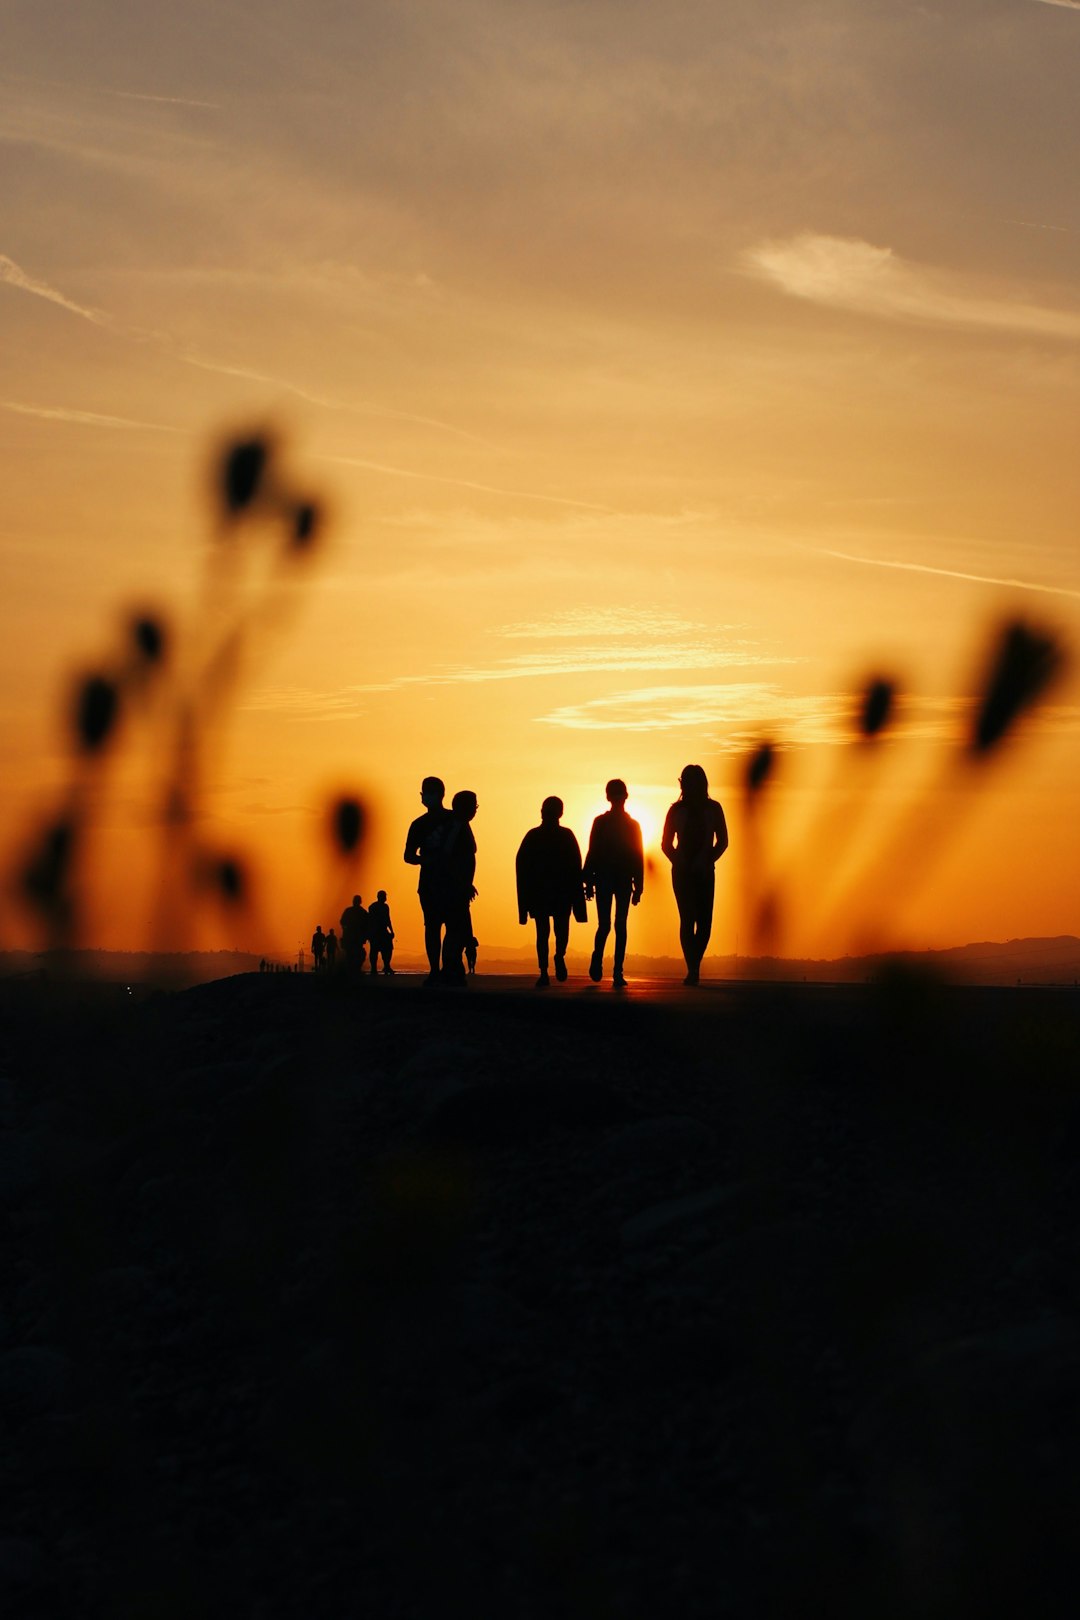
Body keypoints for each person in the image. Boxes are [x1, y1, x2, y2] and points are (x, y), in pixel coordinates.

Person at [661, 763, 729, 986]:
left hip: (705, 871)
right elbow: (665, 843)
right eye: (685, 782)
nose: (688, 786)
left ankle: (694, 964)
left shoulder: (714, 809)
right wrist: (677, 860)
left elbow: (723, 841)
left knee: (705, 922)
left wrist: (708, 859)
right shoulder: (675, 810)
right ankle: (693, 969)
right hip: (681, 873)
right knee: (687, 919)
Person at [516, 796, 586, 987]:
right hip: (560, 892)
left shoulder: (533, 836)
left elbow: (522, 869)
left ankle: (545, 970)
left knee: (543, 933)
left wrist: (524, 902)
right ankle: (556, 959)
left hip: (541, 892)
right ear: (560, 813)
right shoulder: (565, 836)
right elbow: (576, 867)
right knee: (559, 930)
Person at [583, 779, 643, 989]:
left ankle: (617, 970)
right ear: (610, 798)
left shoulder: (632, 825)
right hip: (606, 878)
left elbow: (638, 856)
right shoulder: (601, 823)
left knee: (619, 925)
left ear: (624, 797)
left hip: (622, 879)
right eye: (615, 796)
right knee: (606, 925)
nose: (618, 800)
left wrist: (639, 886)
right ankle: (599, 960)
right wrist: (588, 881)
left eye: (619, 796)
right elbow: (592, 851)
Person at [403, 776, 454, 982]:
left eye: (430, 792)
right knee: (432, 927)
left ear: (441, 794)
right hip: (429, 884)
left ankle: (449, 968)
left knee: (452, 927)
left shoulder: (454, 821)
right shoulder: (418, 825)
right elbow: (408, 856)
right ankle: (435, 969)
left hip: (451, 883)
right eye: (425, 792)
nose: (427, 796)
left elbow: (468, 852)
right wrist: (426, 860)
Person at [441, 789, 478, 986]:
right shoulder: (456, 826)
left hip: (459, 887)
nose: (475, 810)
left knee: (459, 929)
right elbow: (448, 857)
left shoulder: (461, 825)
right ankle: (451, 968)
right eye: (474, 806)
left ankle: (452, 968)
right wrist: (462, 884)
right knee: (456, 929)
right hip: (454, 889)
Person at [339, 894, 369, 977]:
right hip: (356, 937)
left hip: (351, 937)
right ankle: (355, 969)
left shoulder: (349, 911)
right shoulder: (362, 912)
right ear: (360, 902)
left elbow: (342, 922)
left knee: (351, 954)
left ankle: (352, 969)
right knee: (358, 954)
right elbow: (367, 924)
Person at [368, 890, 395, 975]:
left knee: (387, 949)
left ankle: (385, 966)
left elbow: (388, 919)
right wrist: (391, 930)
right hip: (377, 931)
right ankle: (375, 968)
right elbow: (386, 920)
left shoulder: (381, 907)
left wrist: (391, 930)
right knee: (376, 951)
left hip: (380, 931)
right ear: (381, 897)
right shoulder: (374, 907)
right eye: (384, 896)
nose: (385, 898)